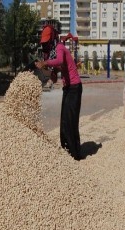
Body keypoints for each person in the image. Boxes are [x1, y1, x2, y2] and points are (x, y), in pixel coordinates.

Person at [35, 25, 83, 160]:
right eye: (43, 43)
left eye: (46, 42)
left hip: (75, 87)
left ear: (52, 40)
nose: (44, 46)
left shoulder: (59, 48)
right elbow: (55, 74)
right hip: (67, 88)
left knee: (70, 120)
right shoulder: (53, 53)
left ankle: (75, 154)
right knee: (64, 120)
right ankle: (66, 150)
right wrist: (50, 73)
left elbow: (60, 60)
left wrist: (44, 63)